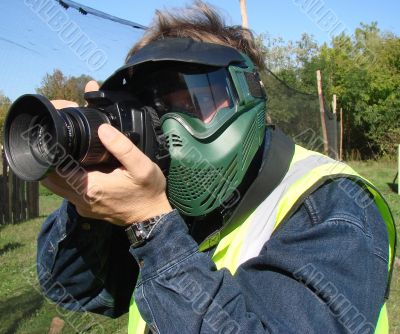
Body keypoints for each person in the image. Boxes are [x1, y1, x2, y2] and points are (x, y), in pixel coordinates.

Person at [37, 1, 396, 333]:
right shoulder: (164, 191)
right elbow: (76, 290)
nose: (173, 129)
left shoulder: (333, 203)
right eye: (159, 111)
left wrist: (151, 227)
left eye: (198, 100)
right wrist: (87, 197)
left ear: (248, 94)